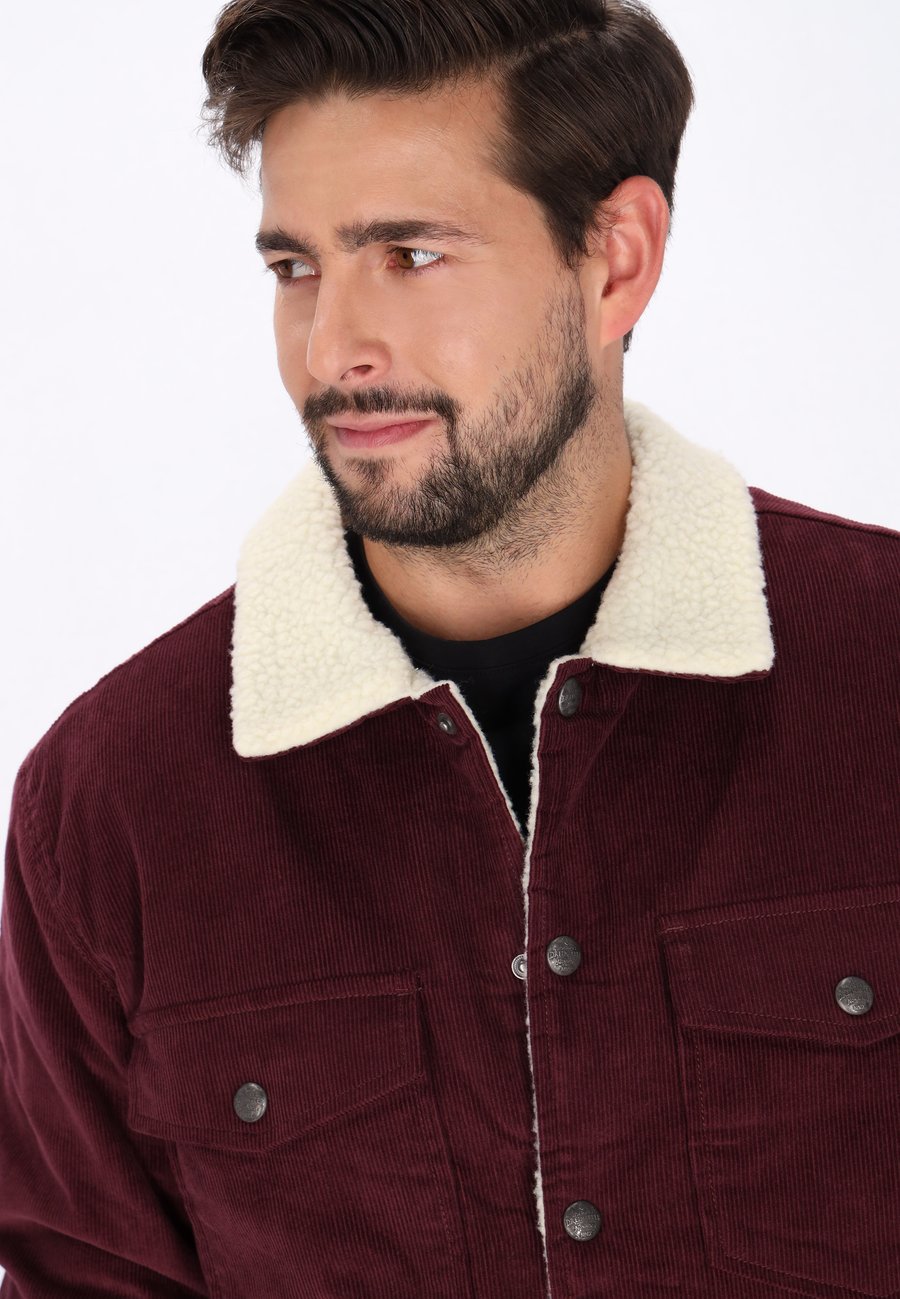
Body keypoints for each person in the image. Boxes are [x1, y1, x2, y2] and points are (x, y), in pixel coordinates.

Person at [1, 0, 898, 1295]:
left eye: (411, 255)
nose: (333, 349)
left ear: (616, 261)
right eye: (296, 267)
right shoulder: (114, 807)